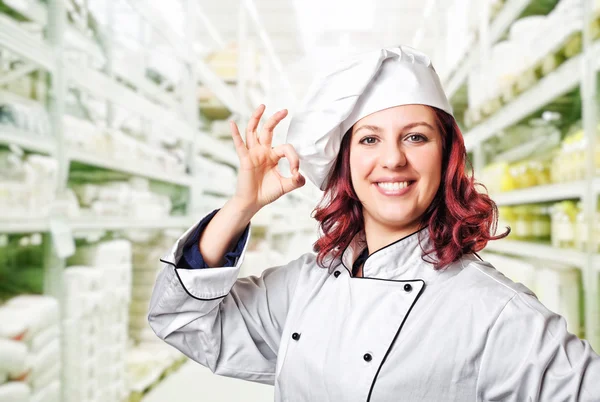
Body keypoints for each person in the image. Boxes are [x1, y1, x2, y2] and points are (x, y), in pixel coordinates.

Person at [148, 46, 600, 401]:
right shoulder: (306, 286)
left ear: (447, 157)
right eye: (369, 139)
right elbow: (182, 319)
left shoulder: (496, 313)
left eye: (416, 137)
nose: (392, 159)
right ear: (345, 163)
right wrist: (242, 206)